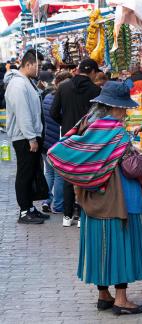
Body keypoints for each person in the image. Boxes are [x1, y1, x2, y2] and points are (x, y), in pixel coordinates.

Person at [47, 81, 142, 315]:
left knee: (100, 248)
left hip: (91, 199)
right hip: (116, 199)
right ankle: (121, 300)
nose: (125, 113)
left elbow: (57, 151)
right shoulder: (115, 132)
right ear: (116, 108)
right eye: (124, 109)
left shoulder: (86, 125)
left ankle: (104, 295)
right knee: (120, 246)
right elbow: (131, 169)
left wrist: (88, 174)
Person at [51, 58, 101, 227]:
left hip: (68, 136)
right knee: (85, 175)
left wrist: (66, 124)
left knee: (68, 174)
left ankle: (67, 216)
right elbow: (99, 116)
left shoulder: (64, 87)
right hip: (89, 137)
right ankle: (81, 215)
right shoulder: (95, 90)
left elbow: (53, 112)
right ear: (93, 72)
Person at [4, 49, 50, 224]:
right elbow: (23, 113)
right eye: (37, 65)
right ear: (29, 64)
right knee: (25, 174)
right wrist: (31, 138)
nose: (39, 69)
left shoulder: (27, 82)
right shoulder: (18, 85)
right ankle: (24, 211)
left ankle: (30, 207)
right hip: (24, 138)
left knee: (30, 172)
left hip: (30, 135)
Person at [41, 71, 73, 213]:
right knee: (60, 175)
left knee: (49, 173)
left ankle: (46, 201)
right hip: (56, 142)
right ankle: (58, 206)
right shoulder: (63, 100)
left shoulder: (47, 97)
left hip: (46, 142)